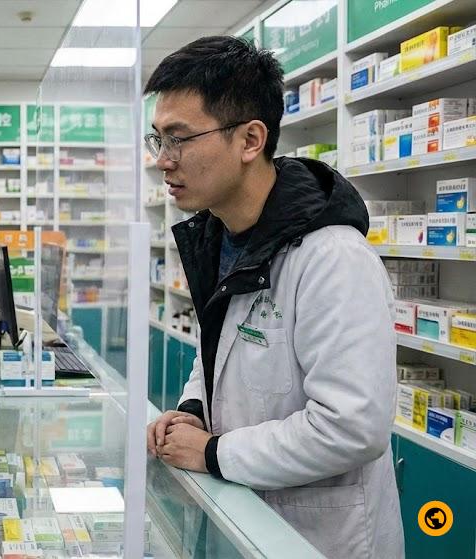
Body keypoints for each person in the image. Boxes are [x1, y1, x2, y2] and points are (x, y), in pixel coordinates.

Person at [142, 36, 404, 558]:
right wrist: (195, 409)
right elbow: (220, 352)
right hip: (243, 514)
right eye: (158, 141)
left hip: (320, 537)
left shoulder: (332, 258)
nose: (163, 162)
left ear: (250, 140)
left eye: (179, 139)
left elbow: (353, 427)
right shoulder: (221, 237)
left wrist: (214, 452)